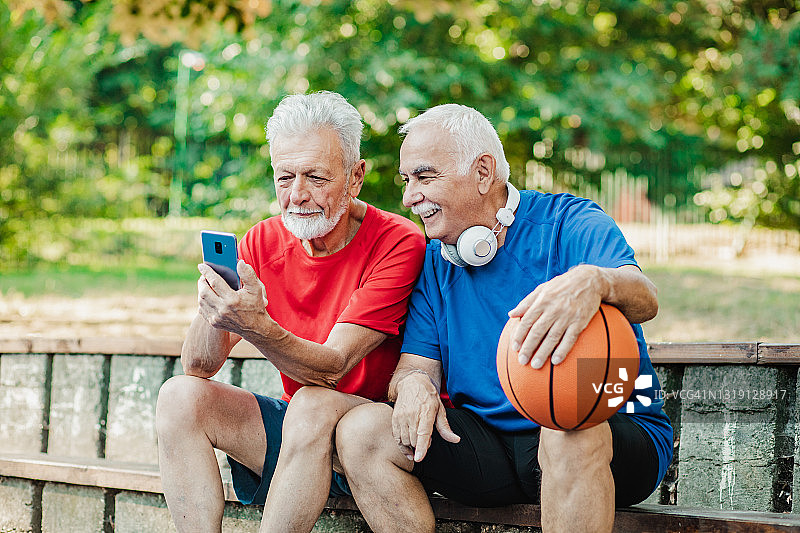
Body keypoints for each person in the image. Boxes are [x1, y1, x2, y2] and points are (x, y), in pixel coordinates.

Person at [333, 104, 673, 533]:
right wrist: (415, 385)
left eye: (423, 176)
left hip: (609, 431)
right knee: (362, 431)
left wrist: (595, 281)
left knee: (568, 427)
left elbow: (646, 299)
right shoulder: (437, 261)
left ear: (482, 172)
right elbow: (414, 368)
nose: (408, 196)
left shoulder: (570, 221)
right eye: (407, 181)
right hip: (491, 445)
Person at [155, 91, 426, 533]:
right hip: (300, 438)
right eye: (285, 178)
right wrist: (213, 307)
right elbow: (199, 365)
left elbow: (333, 370)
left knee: (314, 402)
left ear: (355, 177)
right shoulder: (261, 241)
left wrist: (256, 327)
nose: (297, 195)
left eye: (316, 178)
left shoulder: (397, 241)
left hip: (374, 436)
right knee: (179, 396)